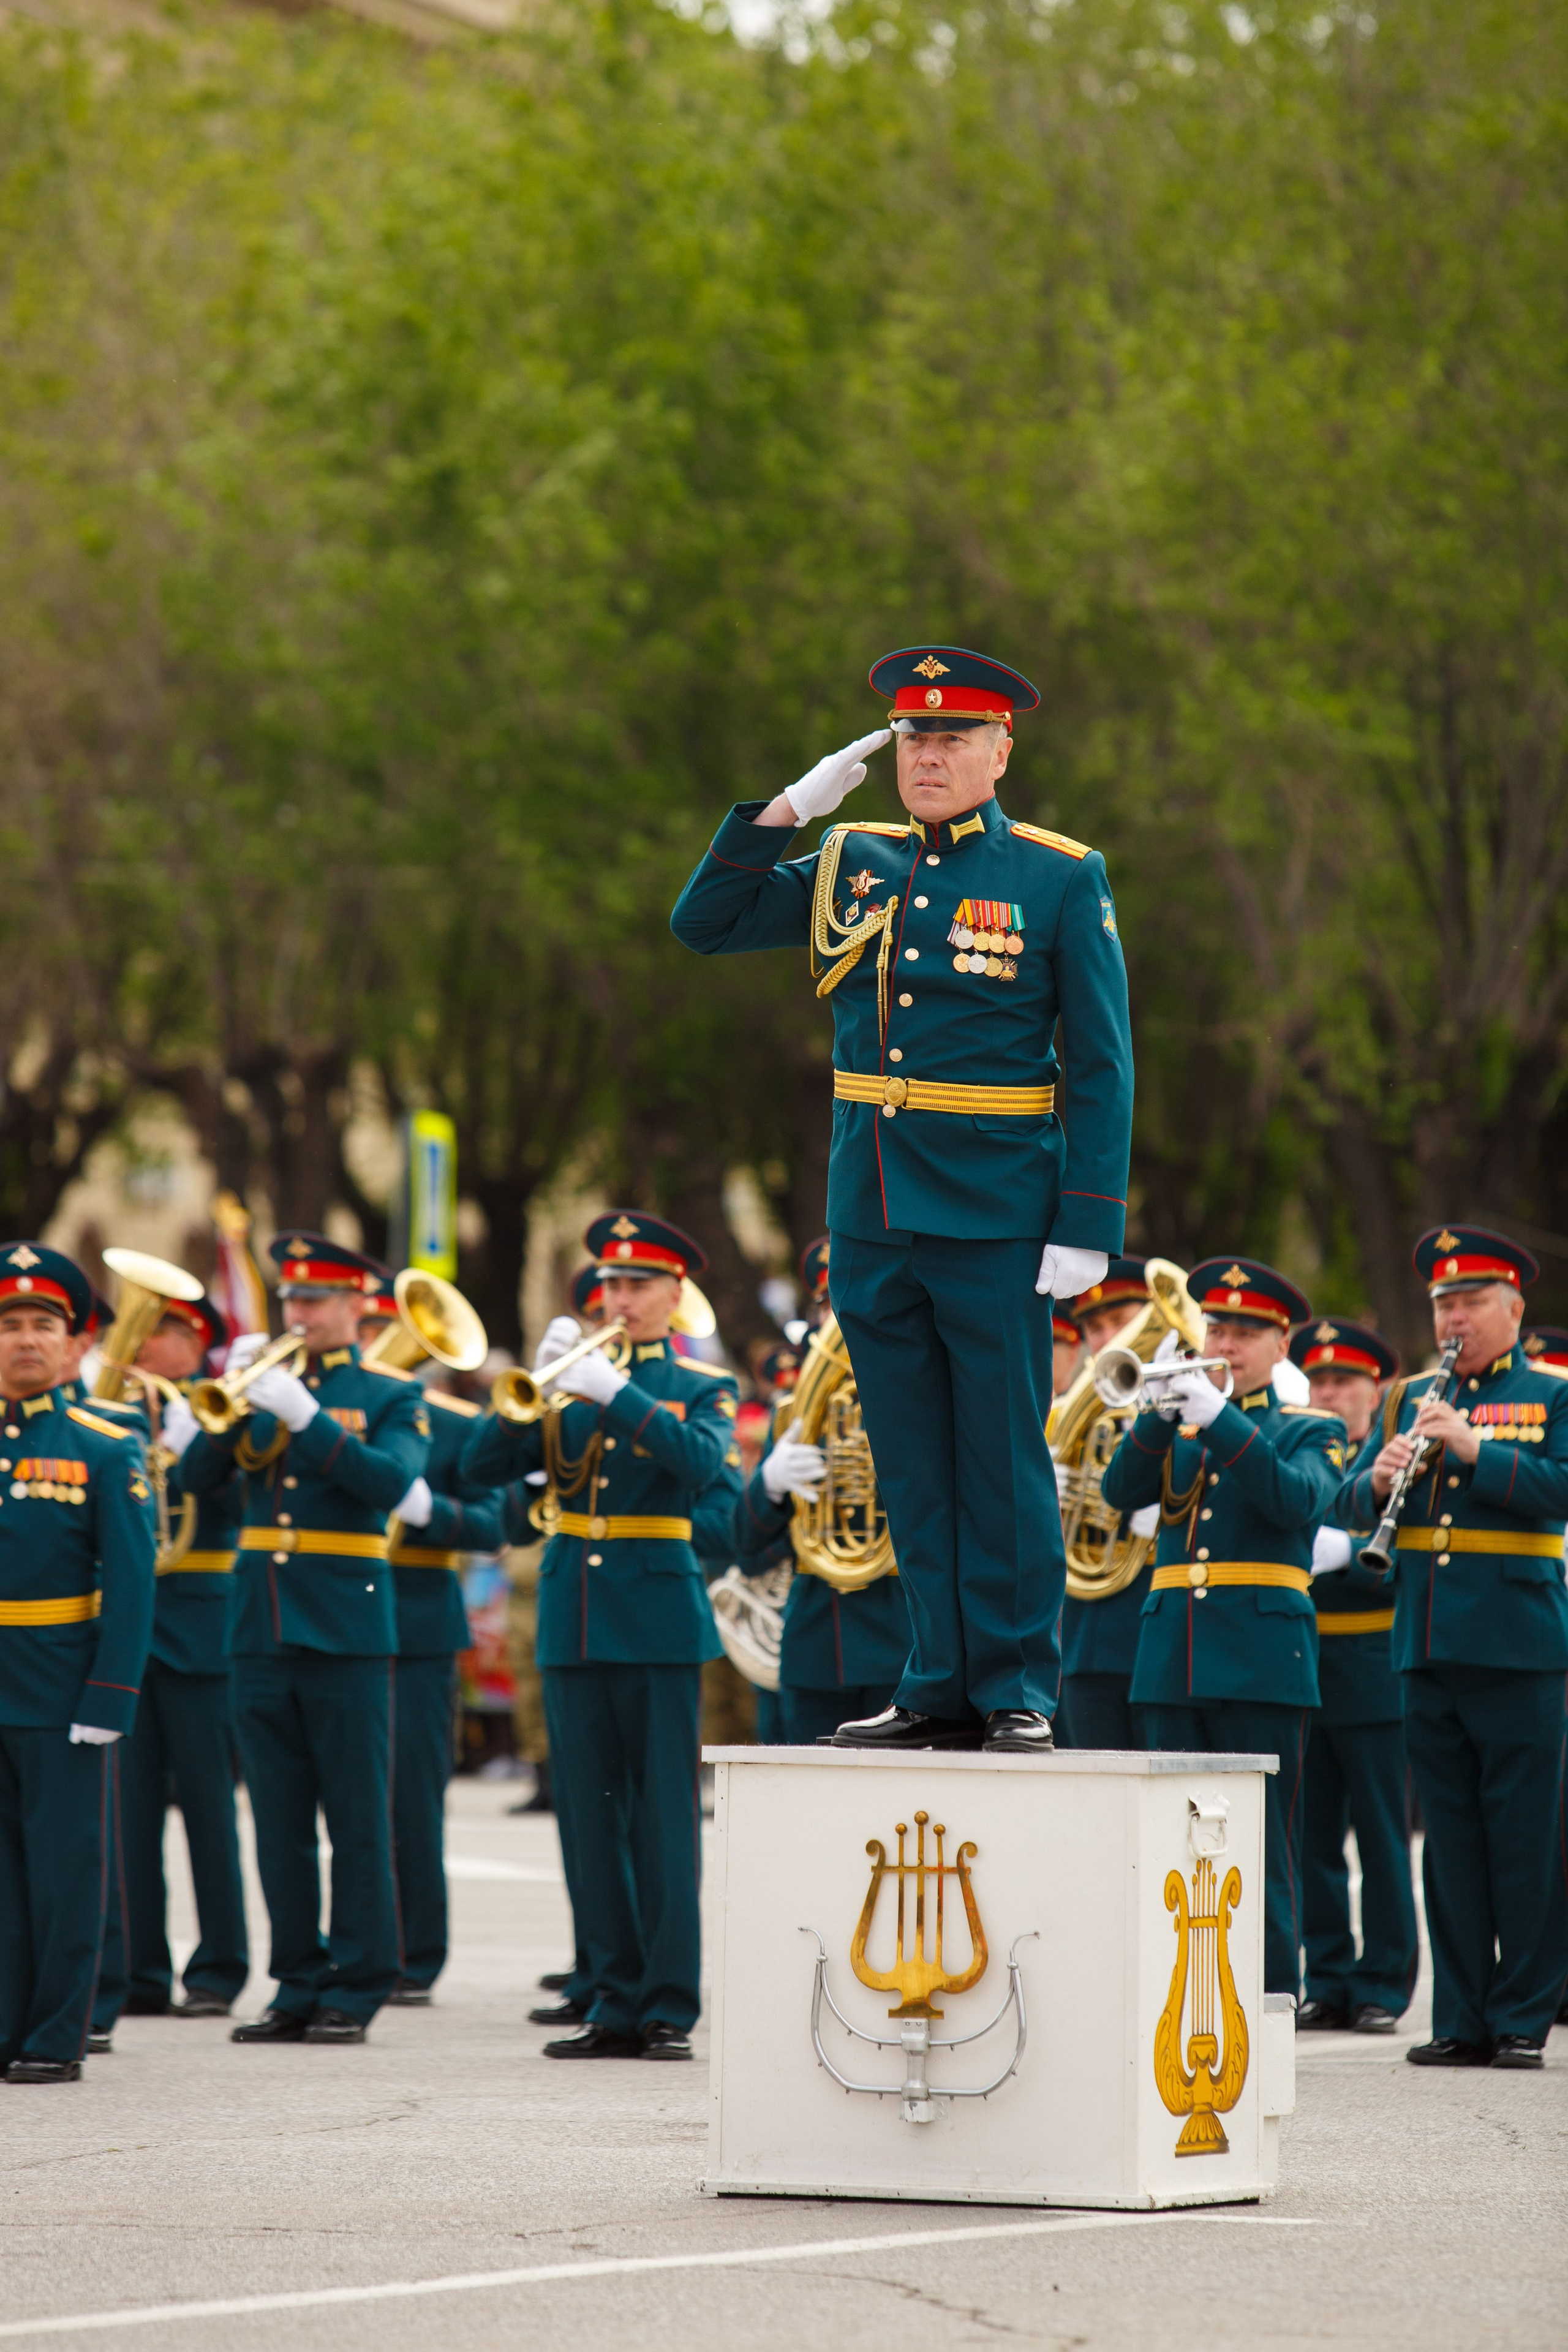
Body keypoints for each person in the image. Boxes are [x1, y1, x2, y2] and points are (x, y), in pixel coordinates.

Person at [671, 647, 1134, 1752]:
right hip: (873, 1210)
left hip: (997, 1210)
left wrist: (1087, 1220)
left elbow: (1101, 1061)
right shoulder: (853, 860)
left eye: (953, 740)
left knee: (1001, 1460)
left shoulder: (1059, 875)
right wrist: (789, 811)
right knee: (912, 1461)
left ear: (1000, 752)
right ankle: (937, 1683)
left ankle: (1016, 1687)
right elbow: (705, 923)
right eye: (914, 739)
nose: (928, 757)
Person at [461, 1213, 741, 2060]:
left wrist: (620, 1397)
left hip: (656, 1621)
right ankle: (613, 2001)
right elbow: (476, 1470)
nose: (619, 1298)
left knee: (663, 1821)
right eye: (610, 1284)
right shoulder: (566, 1385)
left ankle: (668, 2006)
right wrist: (530, 1391)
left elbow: (703, 1466)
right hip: (572, 1620)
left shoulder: (699, 1386)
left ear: (674, 1294)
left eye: (637, 1285)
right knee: (590, 1820)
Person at [181, 1232, 430, 2046]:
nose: (300, 1313)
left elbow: (389, 1482)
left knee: (355, 1818)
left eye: (315, 1300)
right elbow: (194, 1481)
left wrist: (309, 1419)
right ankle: (296, 1980)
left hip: (348, 1627)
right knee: (279, 1820)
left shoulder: (391, 1393)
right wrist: (229, 1403)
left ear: (357, 1305)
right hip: (260, 1625)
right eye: (292, 1298)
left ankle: (357, 1983)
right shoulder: (261, 1385)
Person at [1337, 1226, 1568, 2068]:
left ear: (1513, 1311)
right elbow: (1345, 1500)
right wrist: (1374, 1481)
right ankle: (1461, 2017)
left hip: (1519, 1645)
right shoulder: (1405, 1398)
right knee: (1451, 1843)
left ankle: (1521, 2019)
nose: (1454, 1320)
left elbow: (1561, 1488)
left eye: (1470, 1302)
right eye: (1444, 1306)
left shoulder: (1550, 1393)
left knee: (1524, 1839)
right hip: (1425, 1645)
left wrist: (1477, 1450)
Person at [1104, 1257, 1344, 1996]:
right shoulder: (1178, 1428)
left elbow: (1294, 1501)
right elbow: (1119, 1490)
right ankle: (1178, 1999)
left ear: (1281, 1345)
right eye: (1216, 1330)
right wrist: (1158, 1415)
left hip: (1262, 1661)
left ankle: (1269, 1999)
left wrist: (1219, 1419)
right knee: (1170, 1848)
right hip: (1171, 1659)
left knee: (1259, 1844)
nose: (1225, 1345)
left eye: (1245, 1333)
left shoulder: (1312, 1428)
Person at [0, 1243, 156, 2083]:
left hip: (62, 1687)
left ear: (73, 1342)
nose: (26, 1339)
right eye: (10, 1325)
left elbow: (132, 1585)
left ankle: (59, 2034)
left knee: (65, 1872)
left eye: (43, 1325)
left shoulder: (104, 1445)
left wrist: (111, 1695)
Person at [358, 1280, 508, 2009]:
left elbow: (491, 1524)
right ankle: (355, 1947)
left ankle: (414, 1954)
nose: (374, 1344)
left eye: (383, 1329)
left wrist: (424, 1509)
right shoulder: (318, 1413)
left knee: (411, 1797)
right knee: (347, 1799)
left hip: (415, 1626)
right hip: (335, 1620)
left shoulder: (453, 1424)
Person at [104, 1292, 249, 2026]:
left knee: (208, 1813)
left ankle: (218, 1970)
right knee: (128, 1818)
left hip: (201, 1631)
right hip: (130, 1634)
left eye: (157, 1332)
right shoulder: (115, 1413)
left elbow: (240, 1505)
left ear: (194, 1343)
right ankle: (139, 1970)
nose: (140, 1345)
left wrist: (201, 1446)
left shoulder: (221, 1411)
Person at [1287, 1317, 1418, 2034]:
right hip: (1306, 1665)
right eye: (1319, 1380)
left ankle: (1383, 1984)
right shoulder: (1300, 1448)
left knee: (1380, 1837)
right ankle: (1328, 1977)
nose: (1329, 1392)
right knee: (1312, 1840)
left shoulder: (1394, 1457)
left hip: (1371, 1666)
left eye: (1344, 1380)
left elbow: (1407, 1559)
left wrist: (1350, 1556)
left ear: (1378, 1389)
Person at [1055, 1257, 1159, 1752]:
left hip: (1155, 1632)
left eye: (1121, 1322)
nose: (1108, 1338)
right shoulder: (1062, 1418)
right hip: (1083, 1638)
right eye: (1095, 1329)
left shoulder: (1191, 1412)